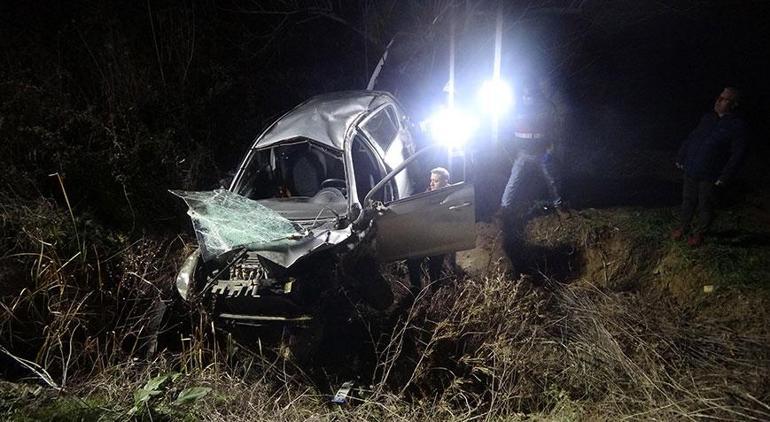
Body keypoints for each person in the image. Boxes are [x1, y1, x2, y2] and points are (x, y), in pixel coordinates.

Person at [672, 87, 747, 246]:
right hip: (692, 167)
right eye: (719, 97)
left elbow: (737, 154)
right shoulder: (707, 118)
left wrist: (725, 176)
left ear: (734, 104)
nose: (718, 100)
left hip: (711, 173)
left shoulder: (736, 126)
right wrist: (681, 155)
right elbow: (692, 137)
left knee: (705, 204)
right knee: (688, 200)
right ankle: (683, 227)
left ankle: (699, 233)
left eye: (724, 99)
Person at [500, 78, 563, 215]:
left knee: (552, 181)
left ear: (536, 95)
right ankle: (504, 209)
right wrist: (512, 150)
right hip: (523, 153)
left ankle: (559, 207)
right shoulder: (516, 111)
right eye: (525, 95)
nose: (527, 98)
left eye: (530, 95)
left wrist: (550, 148)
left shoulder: (544, 109)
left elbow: (553, 129)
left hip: (542, 153)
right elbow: (508, 132)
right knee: (513, 182)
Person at [406, 167, 455, 297]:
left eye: (436, 181)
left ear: (445, 181)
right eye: (431, 180)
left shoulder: (453, 195)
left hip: (440, 238)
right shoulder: (428, 192)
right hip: (426, 236)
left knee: (435, 266)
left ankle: (435, 293)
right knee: (412, 260)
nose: (431, 184)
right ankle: (416, 289)